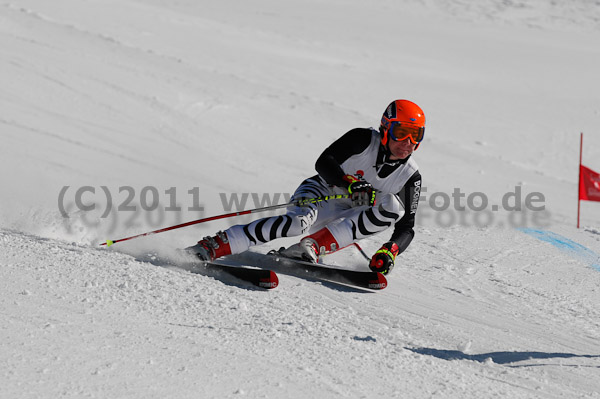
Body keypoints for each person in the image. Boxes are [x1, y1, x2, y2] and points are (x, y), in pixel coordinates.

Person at [187, 99, 424, 275]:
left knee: (394, 207)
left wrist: (390, 250)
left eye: (415, 136)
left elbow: (407, 227)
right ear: (386, 129)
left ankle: (312, 247)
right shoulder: (362, 139)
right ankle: (216, 245)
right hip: (322, 194)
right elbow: (324, 162)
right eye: (401, 133)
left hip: (350, 215)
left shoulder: (410, 176)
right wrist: (347, 182)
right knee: (296, 223)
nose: (407, 143)